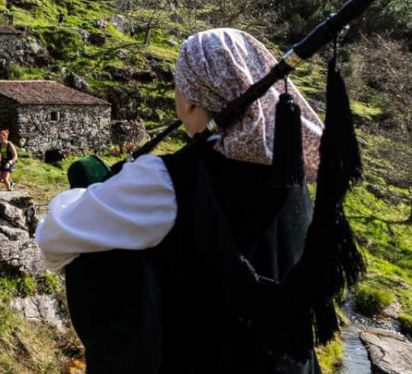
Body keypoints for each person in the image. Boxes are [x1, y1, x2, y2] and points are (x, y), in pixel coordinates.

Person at [35, 28, 324, 373]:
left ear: (189, 99)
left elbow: (53, 238)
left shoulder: (168, 181)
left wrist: (82, 194)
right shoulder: (293, 175)